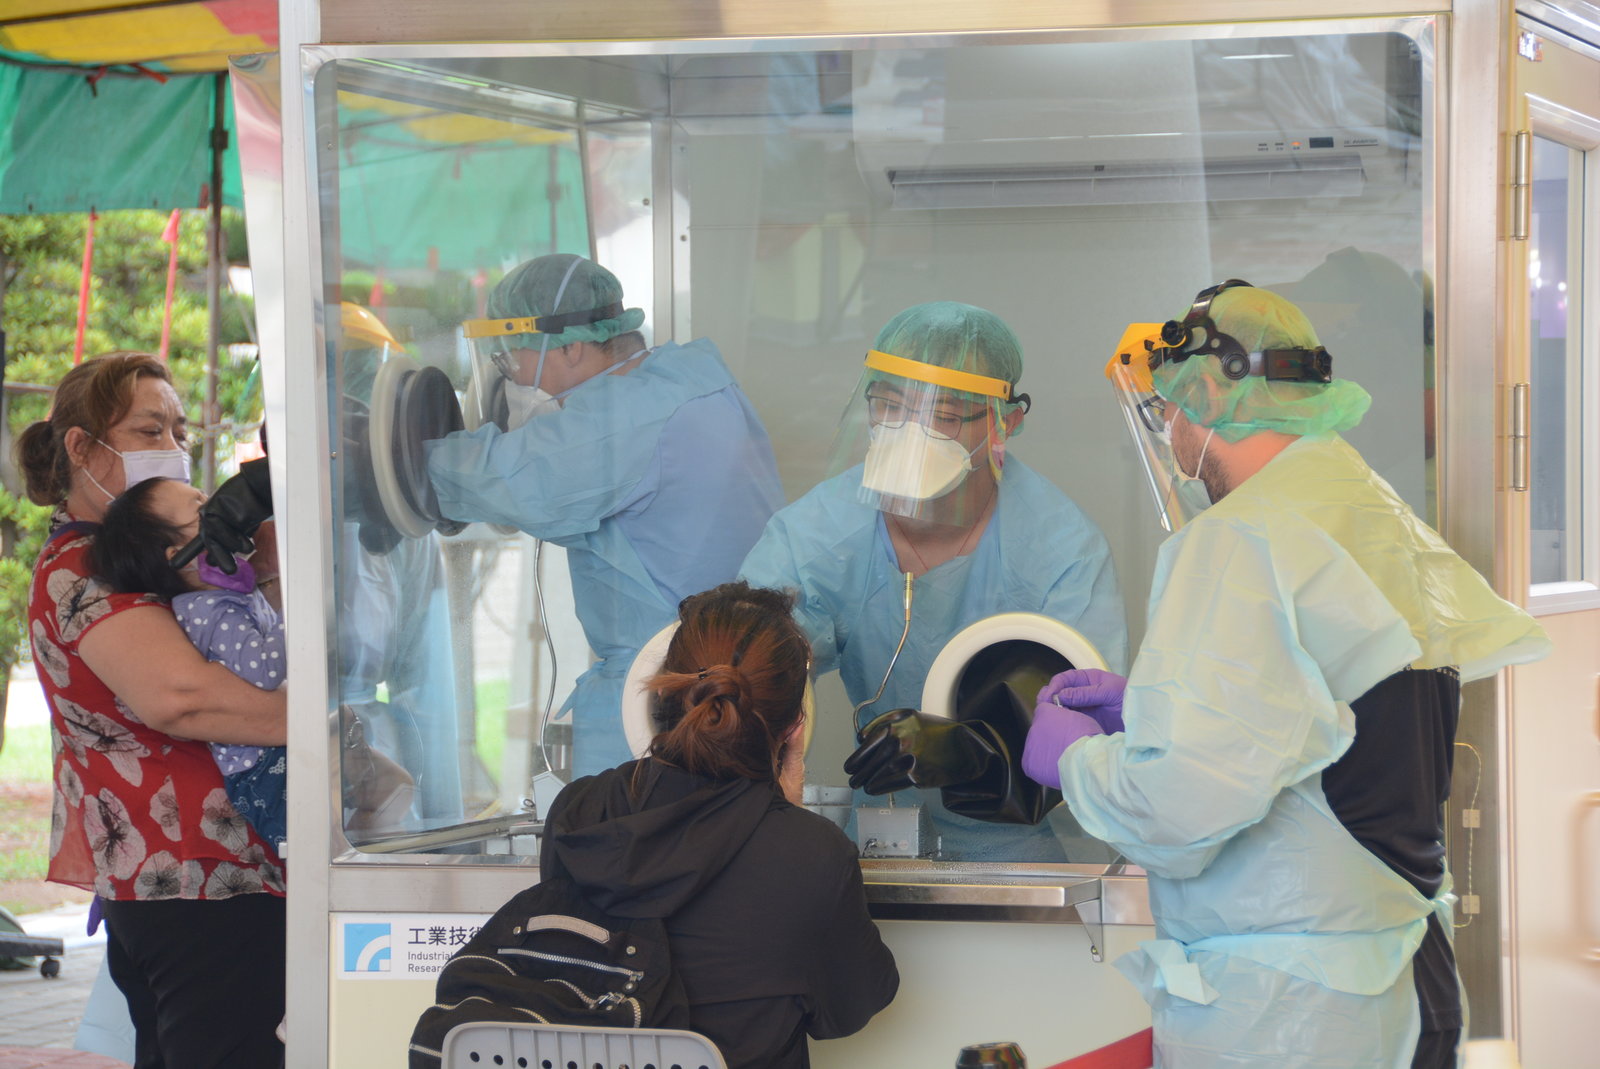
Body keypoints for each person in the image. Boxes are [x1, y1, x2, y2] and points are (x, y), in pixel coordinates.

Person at [1022, 282, 1551, 1068]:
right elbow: (1329, 718)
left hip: (1291, 1014)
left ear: (1207, 395)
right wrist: (1160, 709)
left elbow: (1179, 810)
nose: (1171, 432)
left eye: (1169, 408)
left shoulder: (1240, 537)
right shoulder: (1366, 511)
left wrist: (1074, 761)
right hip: (1405, 988)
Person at [740, 300, 1128, 860]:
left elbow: (1093, 735)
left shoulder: (1059, 548)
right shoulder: (820, 532)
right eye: (889, 406)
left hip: (1010, 846)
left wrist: (975, 751)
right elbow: (748, 667)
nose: (910, 433)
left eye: (943, 414)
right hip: (875, 835)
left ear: (1006, 422)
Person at [16, 352, 288, 1068]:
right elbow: (182, 697)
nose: (172, 446)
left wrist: (258, 562)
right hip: (194, 878)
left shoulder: (156, 560)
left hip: (205, 873)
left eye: (179, 430)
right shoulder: (83, 567)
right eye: (148, 430)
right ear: (81, 448)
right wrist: (323, 720)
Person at [425, 254, 785, 776]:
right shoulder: (691, 378)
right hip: (733, 682)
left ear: (570, 346)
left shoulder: (625, 417)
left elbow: (510, 479)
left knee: (628, 823)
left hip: (666, 698)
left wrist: (398, 453)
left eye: (512, 359)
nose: (511, 377)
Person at [541, 581, 898, 1068]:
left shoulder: (579, 811)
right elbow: (850, 1010)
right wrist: (788, 816)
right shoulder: (812, 853)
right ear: (795, 727)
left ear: (666, 695)